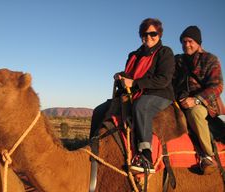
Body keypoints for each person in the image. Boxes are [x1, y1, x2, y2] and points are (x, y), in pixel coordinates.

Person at [90, 18, 175, 174]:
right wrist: (121, 76)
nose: (148, 37)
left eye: (153, 33)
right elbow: (130, 74)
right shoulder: (134, 55)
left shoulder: (165, 53)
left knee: (141, 106)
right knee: (100, 110)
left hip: (159, 94)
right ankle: (93, 147)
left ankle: (145, 155)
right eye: (145, 34)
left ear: (159, 34)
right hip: (135, 92)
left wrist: (134, 83)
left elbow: (163, 79)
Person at [173, 26, 223, 174]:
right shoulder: (178, 60)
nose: (186, 45)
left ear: (198, 42)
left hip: (204, 102)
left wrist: (196, 100)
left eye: (190, 41)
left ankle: (208, 155)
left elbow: (217, 86)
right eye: (183, 42)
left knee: (195, 114)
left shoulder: (210, 59)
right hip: (179, 99)